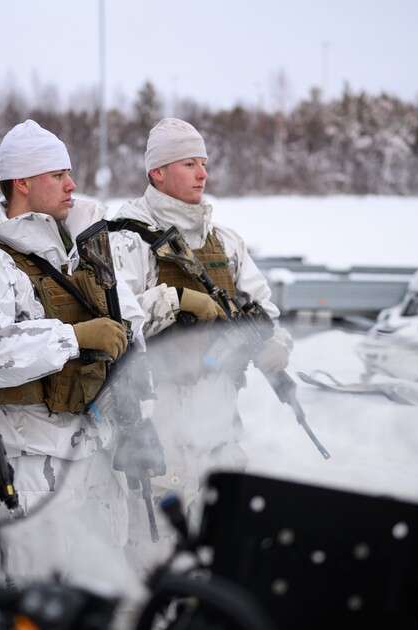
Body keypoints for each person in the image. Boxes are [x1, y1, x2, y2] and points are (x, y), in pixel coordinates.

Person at [0, 120, 145, 574]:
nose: (72, 185)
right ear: (22, 181)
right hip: (32, 466)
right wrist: (71, 338)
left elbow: (133, 330)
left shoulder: (87, 257)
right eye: (58, 175)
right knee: (28, 604)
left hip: (97, 457)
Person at [107, 118, 294, 512]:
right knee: (156, 550)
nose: (202, 173)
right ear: (157, 172)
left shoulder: (224, 241)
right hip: (157, 416)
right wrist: (178, 300)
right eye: (188, 163)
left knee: (221, 536)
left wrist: (273, 344)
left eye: (203, 162)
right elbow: (117, 321)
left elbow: (265, 310)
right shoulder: (126, 237)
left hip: (219, 415)